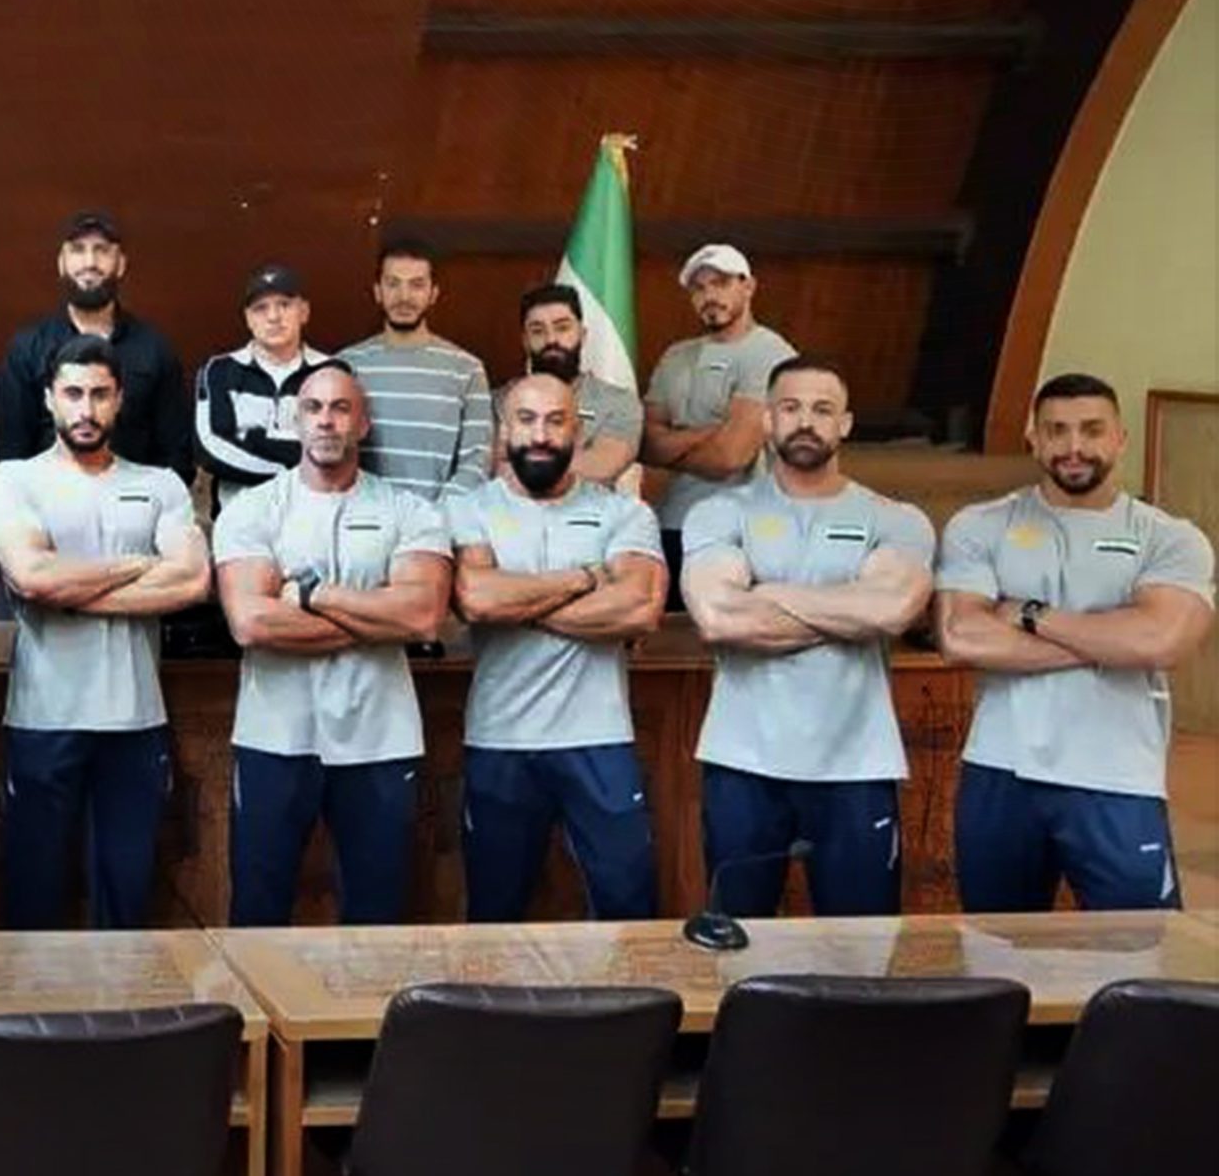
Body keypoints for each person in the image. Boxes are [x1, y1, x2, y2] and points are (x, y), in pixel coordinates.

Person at [935, 373, 1214, 911]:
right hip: (1000, 768)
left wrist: (1029, 614)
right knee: (998, 945)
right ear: (1033, 438)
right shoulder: (981, 526)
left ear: (1120, 438)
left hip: (1118, 776)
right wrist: (1111, 637)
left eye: (1091, 430)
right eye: (1056, 430)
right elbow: (961, 636)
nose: (1074, 446)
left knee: (1143, 945)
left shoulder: (1169, 537)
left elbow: (1162, 641)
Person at [680, 357, 934, 918]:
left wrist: (767, 591)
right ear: (768, 420)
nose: (805, 422)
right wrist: (847, 609)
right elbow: (719, 618)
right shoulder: (718, 513)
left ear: (845, 424)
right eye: (791, 407)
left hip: (857, 767)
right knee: (735, 941)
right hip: (743, 763)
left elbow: (891, 611)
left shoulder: (896, 519)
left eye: (823, 410)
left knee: (862, 950)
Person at [213, 361, 450, 925]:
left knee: (378, 914)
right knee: (258, 911)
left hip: (380, 740)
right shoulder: (251, 510)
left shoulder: (410, 511)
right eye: (313, 408)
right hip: (274, 737)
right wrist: (376, 617)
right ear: (294, 422)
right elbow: (251, 624)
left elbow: (422, 617)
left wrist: (312, 595)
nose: (326, 420)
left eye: (341, 408)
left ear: (362, 424)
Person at [0, 338, 211, 928]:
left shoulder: (161, 484)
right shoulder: (14, 480)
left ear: (120, 400)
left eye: (99, 395)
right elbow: (32, 577)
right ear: (49, 399)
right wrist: (138, 565)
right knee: (35, 899)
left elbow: (193, 581)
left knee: (127, 897)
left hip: (135, 719)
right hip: (43, 717)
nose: (85, 410)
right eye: (73, 394)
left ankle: (124, 993)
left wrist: (71, 592)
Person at [448, 373, 668, 921]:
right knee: (493, 915)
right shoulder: (469, 509)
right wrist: (586, 578)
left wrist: (519, 605)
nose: (541, 435)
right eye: (526, 420)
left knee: (628, 908)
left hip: (600, 738)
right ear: (503, 431)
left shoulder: (625, 513)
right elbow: (476, 599)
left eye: (556, 420)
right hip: (500, 738)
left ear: (578, 430)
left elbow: (638, 608)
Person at [643, 244, 795, 601]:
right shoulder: (677, 355)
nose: (710, 295)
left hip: (741, 531)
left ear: (749, 286)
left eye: (721, 283)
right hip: (671, 524)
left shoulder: (770, 354)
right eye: (699, 288)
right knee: (665, 628)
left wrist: (672, 441)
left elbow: (729, 457)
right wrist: (711, 432)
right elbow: (644, 444)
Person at [0, 212, 193, 485]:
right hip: (49, 501)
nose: (90, 262)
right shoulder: (28, 348)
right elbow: (12, 453)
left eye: (101, 250)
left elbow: (176, 455)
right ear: (61, 263)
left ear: (121, 264)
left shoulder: (155, 349)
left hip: (133, 501)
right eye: (78, 250)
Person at [337, 238, 491, 500]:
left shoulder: (467, 369)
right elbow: (332, 453)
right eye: (393, 284)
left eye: (417, 285)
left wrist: (434, 516)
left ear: (433, 294)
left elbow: (477, 461)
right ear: (377, 291)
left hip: (438, 519)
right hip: (362, 516)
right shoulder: (345, 366)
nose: (404, 297)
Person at [194, 262, 333, 509]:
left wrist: (252, 440)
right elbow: (211, 450)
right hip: (239, 520)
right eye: (261, 308)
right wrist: (293, 465)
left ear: (304, 312)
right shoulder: (219, 371)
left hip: (314, 518)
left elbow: (338, 450)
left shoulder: (333, 373)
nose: (273, 317)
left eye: (284, 305)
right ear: (248, 318)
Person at [488, 283, 643, 487]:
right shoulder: (497, 401)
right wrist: (574, 457)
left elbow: (602, 467)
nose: (551, 339)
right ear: (525, 341)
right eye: (538, 331)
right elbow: (487, 465)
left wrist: (517, 456)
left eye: (562, 328)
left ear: (582, 334)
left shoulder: (618, 402)